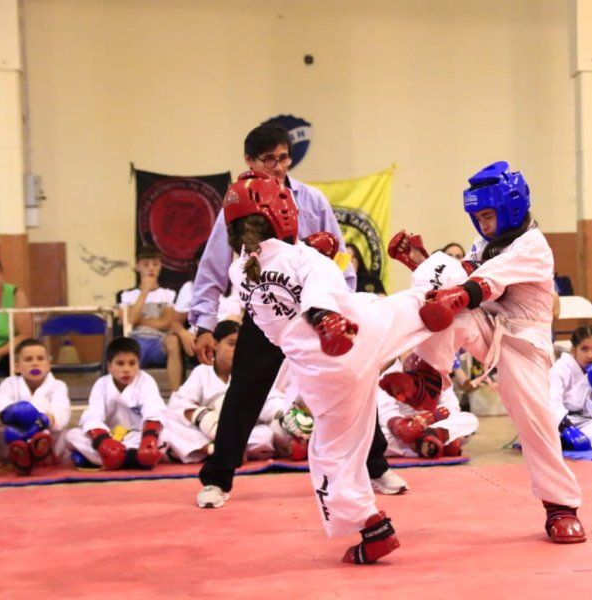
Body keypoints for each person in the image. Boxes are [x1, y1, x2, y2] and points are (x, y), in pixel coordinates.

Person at [217, 170, 466, 563]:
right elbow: (323, 283)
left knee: (333, 455)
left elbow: (278, 313)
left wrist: (318, 270)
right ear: (282, 212)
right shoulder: (303, 257)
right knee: (428, 300)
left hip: (325, 373)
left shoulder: (239, 272)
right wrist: (324, 314)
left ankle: (373, 528)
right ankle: (431, 370)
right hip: (362, 328)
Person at [189, 124, 407, 505]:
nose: (277, 166)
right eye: (268, 159)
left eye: (283, 158)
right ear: (249, 160)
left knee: (350, 382)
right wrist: (204, 323)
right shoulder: (237, 203)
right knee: (244, 392)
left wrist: (345, 306)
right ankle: (218, 479)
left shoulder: (311, 199)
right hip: (267, 311)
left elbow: (341, 258)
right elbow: (212, 268)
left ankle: (375, 466)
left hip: (317, 312)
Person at [380, 161, 587, 544]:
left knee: (537, 424)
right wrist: (422, 262)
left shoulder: (533, 246)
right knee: (440, 302)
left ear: (511, 207)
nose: (482, 224)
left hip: (525, 344)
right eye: (477, 216)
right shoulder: (484, 244)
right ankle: (428, 377)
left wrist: (454, 290)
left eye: (487, 215)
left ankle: (561, 506)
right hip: (489, 324)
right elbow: (464, 273)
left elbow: (483, 284)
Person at [164, 320, 281, 463]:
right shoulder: (202, 372)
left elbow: (271, 401)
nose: (238, 350)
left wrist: (283, 414)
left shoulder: (251, 372)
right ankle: (214, 449)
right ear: (215, 344)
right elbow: (179, 405)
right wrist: (206, 418)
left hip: (241, 432)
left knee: (265, 435)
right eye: (231, 344)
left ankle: (229, 449)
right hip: (208, 436)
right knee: (169, 424)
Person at [65, 337, 167, 470]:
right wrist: (103, 442)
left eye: (132, 363)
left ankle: (102, 460)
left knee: (167, 434)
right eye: (120, 363)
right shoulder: (102, 384)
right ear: (109, 366)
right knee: (71, 435)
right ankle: (132, 460)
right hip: (110, 439)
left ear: (139, 364)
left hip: (139, 438)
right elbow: (92, 416)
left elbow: (154, 410)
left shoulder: (146, 381)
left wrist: (148, 440)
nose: (126, 369)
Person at [377, 360, 478, 458]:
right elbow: (386, 413)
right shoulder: (388, 375)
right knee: (377, 440)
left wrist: (431, 417)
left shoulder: (438, 372)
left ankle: (428, 442)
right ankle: (437, 443)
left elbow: (451, 406)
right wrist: (400, 426)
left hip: (435, 425)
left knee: (470, 420)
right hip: (402, 429)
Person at [0, 339, 71, 474]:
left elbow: (61, 415)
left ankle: (39, 450)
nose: (35, 363)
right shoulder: (9, 384)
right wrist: (19, 415)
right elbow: (2, 408)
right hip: (13, 436)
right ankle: (21, 453)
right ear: (16, 367)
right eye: (28, 359)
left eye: (40, 358)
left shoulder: (58, 386)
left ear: (49, 364)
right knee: (16, 417)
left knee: (69, 434)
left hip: (47, 436)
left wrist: (41, 421)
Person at [119, 246, 182, 390]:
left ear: (160, 267)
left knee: (173, 340)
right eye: (146, 265)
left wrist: (139, 319)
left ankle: (176, 395)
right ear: (137, 267)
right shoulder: (127, 295)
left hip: (159, 342)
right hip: (135, 341)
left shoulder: (168, 294)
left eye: (155, 264)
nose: (151, 268)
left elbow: (165, 323)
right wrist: (145, 291)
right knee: (125, 347)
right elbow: (129, 322)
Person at [0, 260, 33, 377]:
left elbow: (25, 335)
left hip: (8, 351)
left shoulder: (16, 294)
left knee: (25, 355)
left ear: (1, 274)